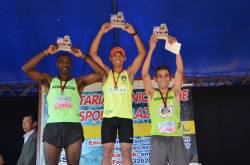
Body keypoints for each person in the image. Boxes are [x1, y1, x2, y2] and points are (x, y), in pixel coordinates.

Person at [22, 44, 105, 165]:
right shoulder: (49, 80)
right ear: (57, 64)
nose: (65, 64)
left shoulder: (78, 82)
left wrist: (82, 56)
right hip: (52, 127)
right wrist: (46, 52)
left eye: (67, 62)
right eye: (62, 61)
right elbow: (26, 68)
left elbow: (101, 73)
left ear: (71, 65)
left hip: (73, 127)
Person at [89, 23, 146, 165]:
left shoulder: (130, 73)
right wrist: (101, 31)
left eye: (121, 55)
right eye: (115, 54)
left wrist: (134, 33)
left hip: (126, 118)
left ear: (125, 58)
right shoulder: (105, 73)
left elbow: (142, 54)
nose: (118, 57)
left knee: (126, 153)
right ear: (110, 58)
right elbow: (92, 54)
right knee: (107, 153)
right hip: (108, 119)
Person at [141, 35, 188, 165]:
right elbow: (144, 74)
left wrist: (176, 50)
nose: (164, 79)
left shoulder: (175, 92)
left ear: (170, 78)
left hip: (176, 137)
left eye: (167, 76)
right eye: (160, 76)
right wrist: (151, 50)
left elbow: (180, 70)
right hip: (158, 138)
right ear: (155, 79)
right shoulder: (152, 94)